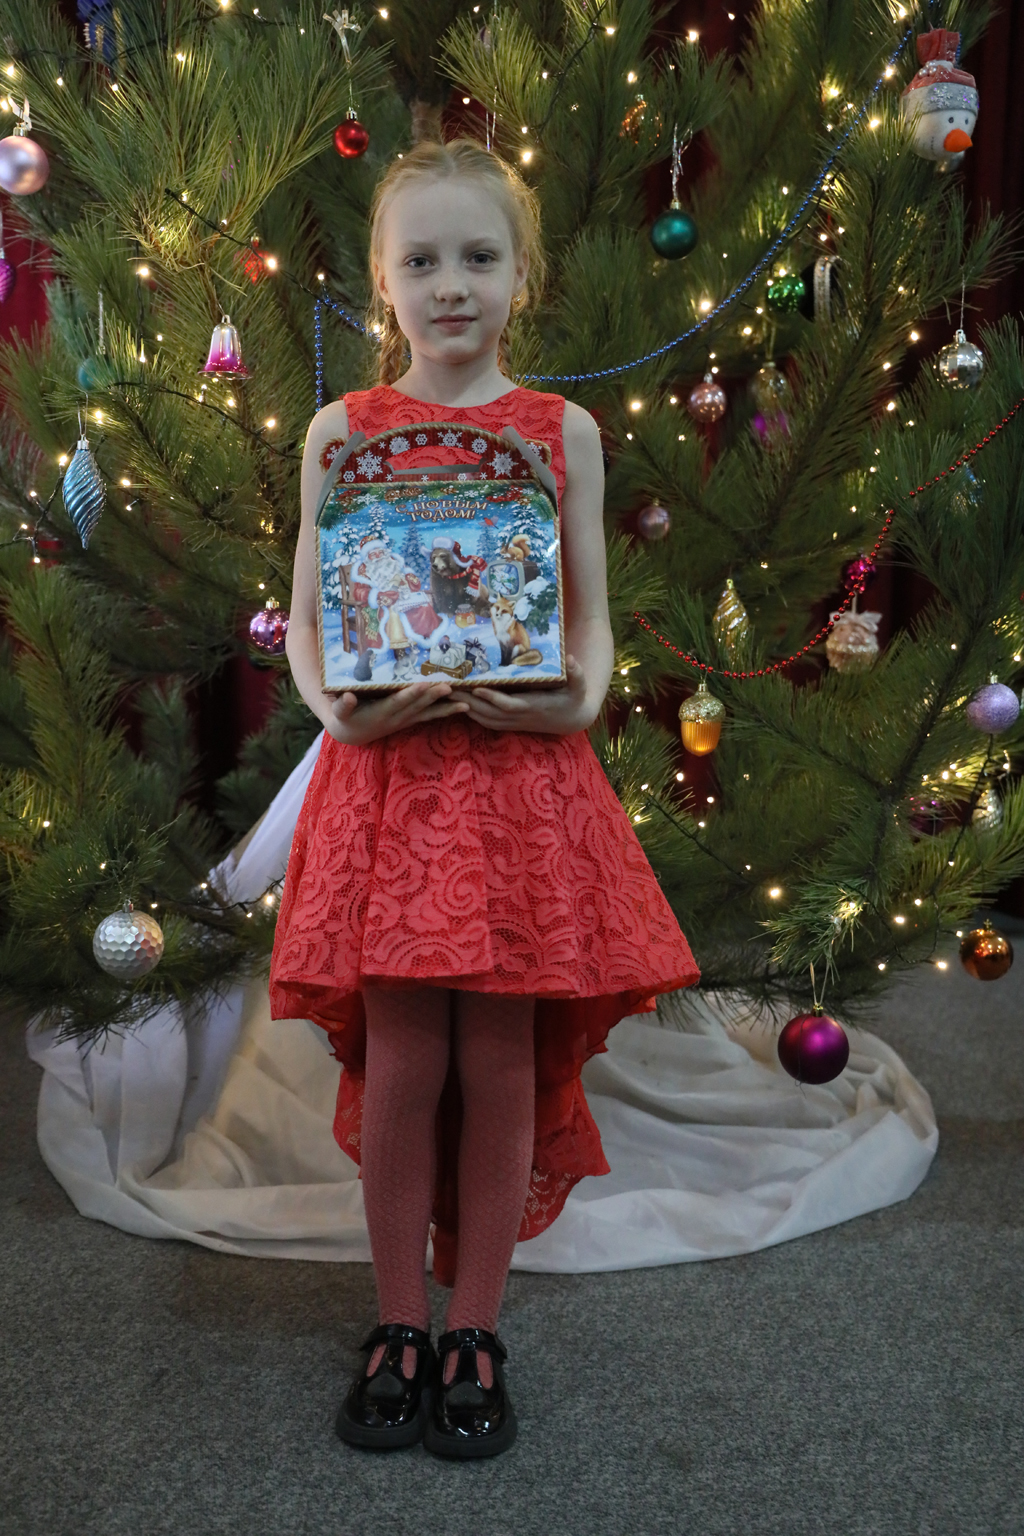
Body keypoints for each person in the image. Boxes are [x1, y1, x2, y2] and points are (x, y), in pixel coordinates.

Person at [269, 137, 699, 1459]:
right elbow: (307, 619)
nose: (450, 284)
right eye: (422, 260)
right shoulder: (341, 433)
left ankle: (475, 1327)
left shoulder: (561, 430)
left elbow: (591, 614)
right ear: (382, 283)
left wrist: (578, 698)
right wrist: (333, 707)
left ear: (522, 274)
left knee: (499, 1058)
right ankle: (398, 1320)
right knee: (406, 1058)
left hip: (520, 784)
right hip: (392, 787)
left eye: (477, 257)